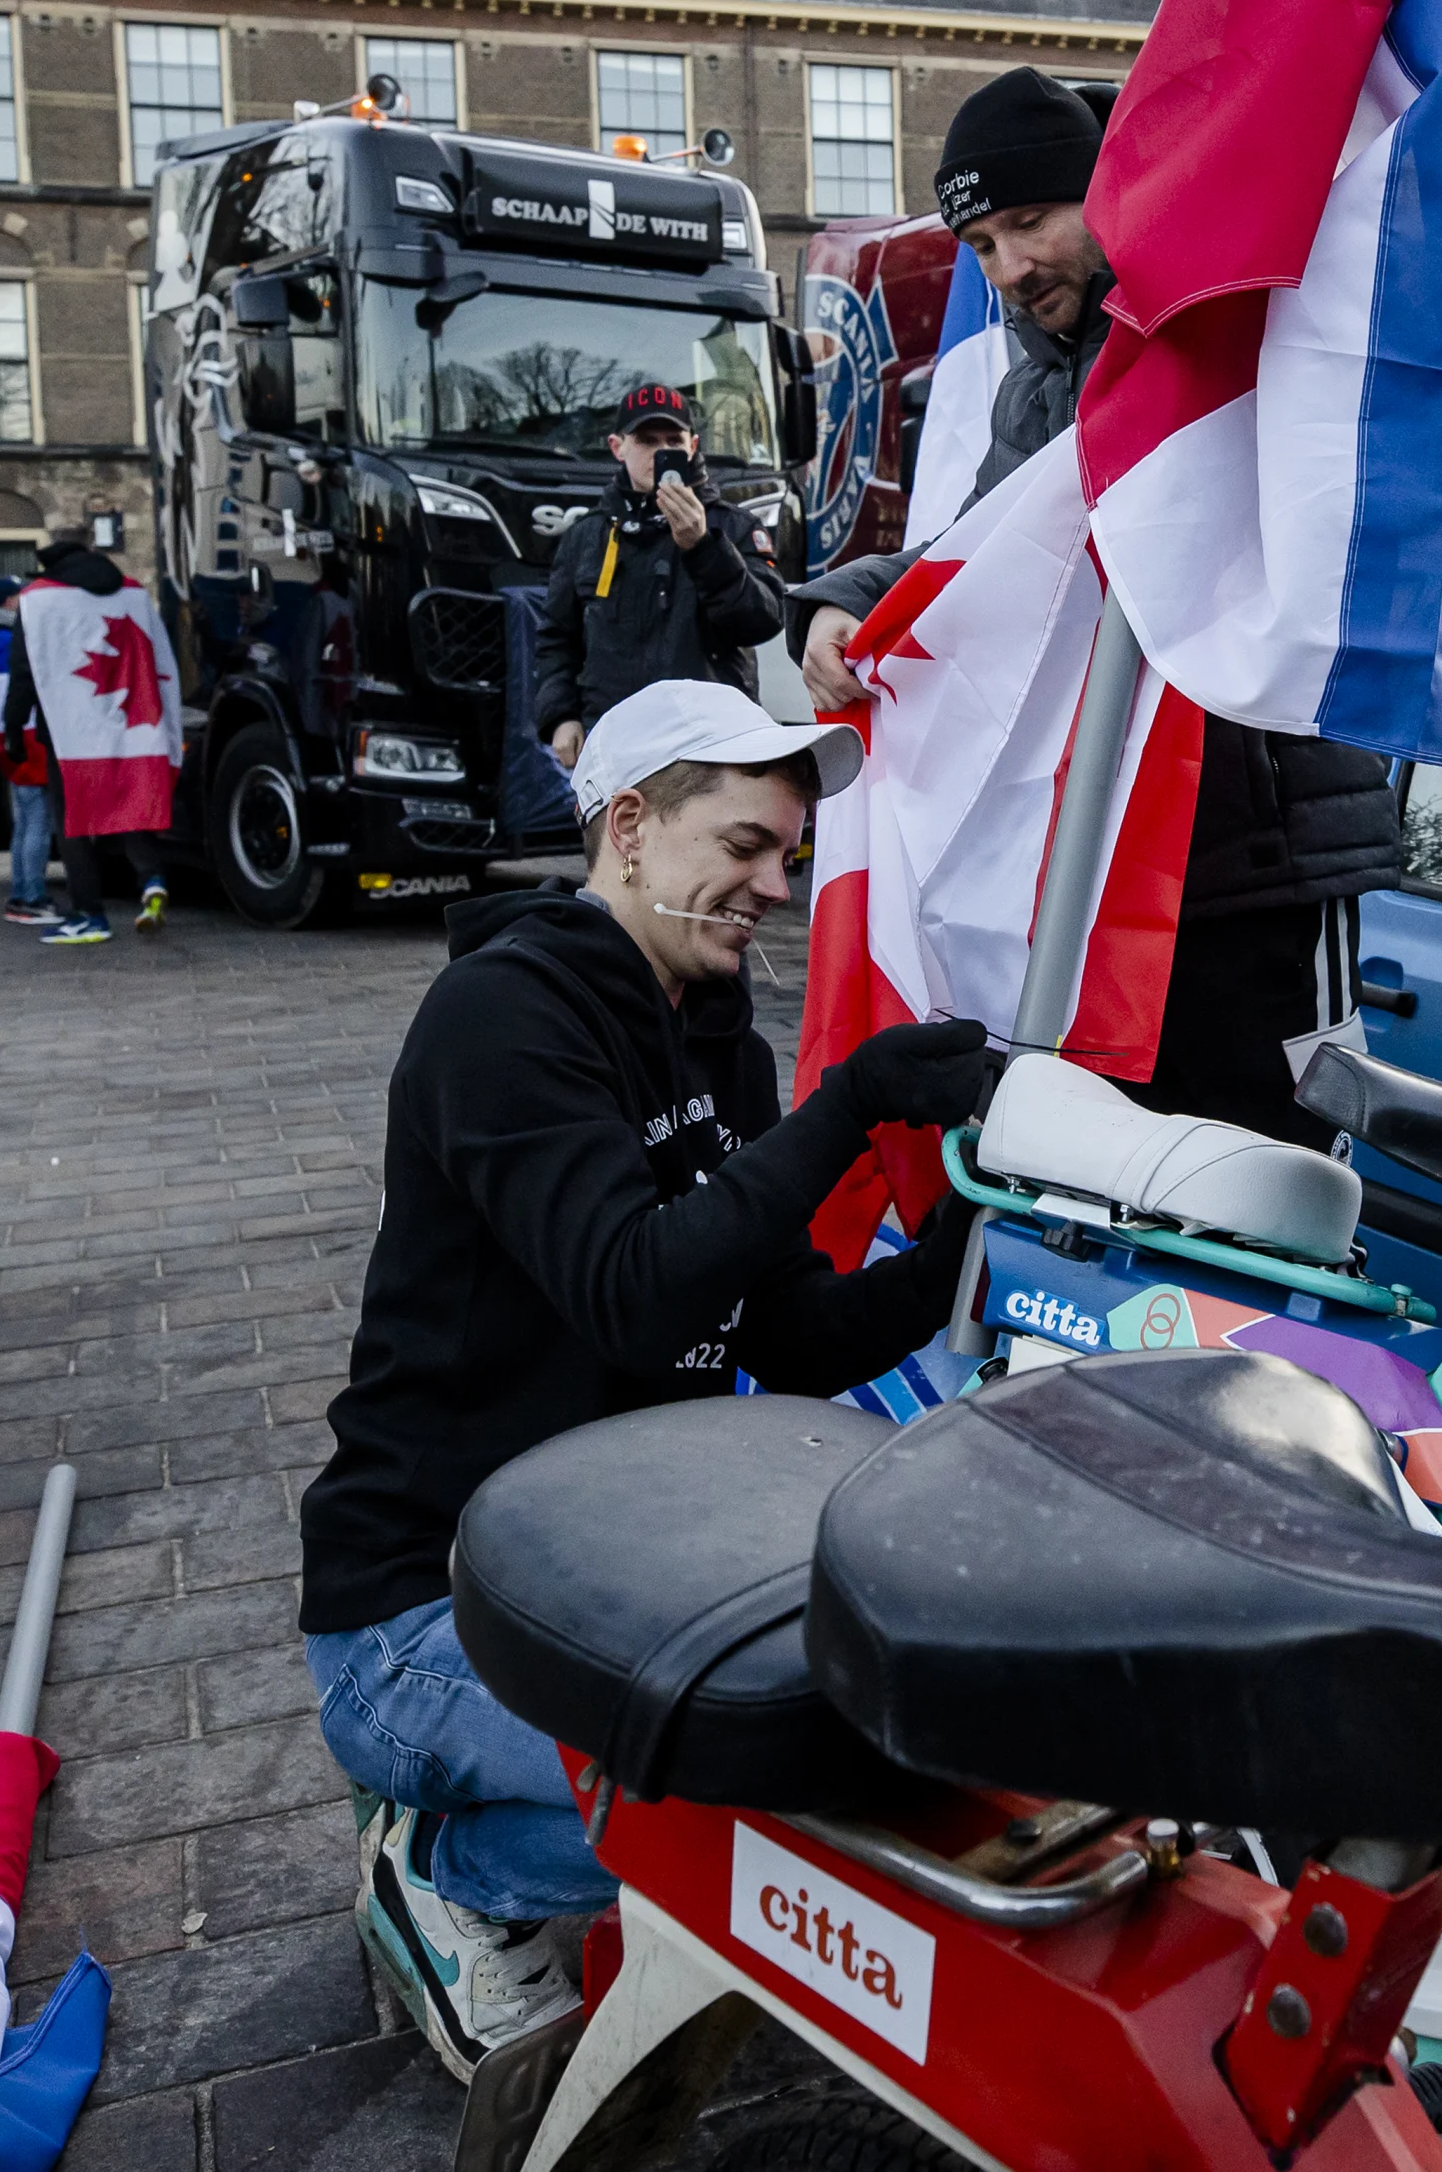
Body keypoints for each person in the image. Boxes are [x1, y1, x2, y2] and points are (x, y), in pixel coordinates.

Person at [296, 676, 994, 2080]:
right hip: (424, 1609)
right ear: (627, 825)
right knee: (760, 1801)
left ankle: (516, 1826)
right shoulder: (501, 1018)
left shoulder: (720, 1035)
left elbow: (789, 1333)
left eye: (788, 854)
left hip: (609, 1571)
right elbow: (631, 1288)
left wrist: (968, 1243)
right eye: (745, 845)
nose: (776, 887)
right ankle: (450, 1872)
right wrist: (850, 1106)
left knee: (872, 1756)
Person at [786, 65, 1400, 1145]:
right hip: (1097, 863)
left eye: (1032, 222)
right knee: (1126, 1179)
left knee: (1277, 1176)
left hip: (1257, 853)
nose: (1010, 269)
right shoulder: (1033, 384)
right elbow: (976, 553)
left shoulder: (1228, 308)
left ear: (1108, 189)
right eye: (982, 246)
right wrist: (845, 605)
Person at [531, 380, 785, 769]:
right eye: (647, 441)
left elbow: (762, 621)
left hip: (712, 743)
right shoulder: (586, 535)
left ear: (693, 446)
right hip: (614, 742)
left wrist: (703, 547)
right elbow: (556, 640)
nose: (661, 452)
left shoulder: (735, 527)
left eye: (673, 441)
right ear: (618, 447)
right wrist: (560, 715)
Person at [5, 533, 183, 947]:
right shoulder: (134, 594)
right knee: (132, 808)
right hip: (132, 725)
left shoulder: (38, 600)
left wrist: (14, 728)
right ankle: (151, 878)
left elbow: (24, 672)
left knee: (73, 822)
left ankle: (90, 914)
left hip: (70, 732)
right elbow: (161, 655)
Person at [0, 577, 60, 924]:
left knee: (25, 820)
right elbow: (20, 691)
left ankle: (21, 894)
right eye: (21, 597)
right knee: (38, 820)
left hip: (6, 737)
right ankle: (32, 897)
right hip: (27, 735)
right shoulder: (6, 642)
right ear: (8, 602)